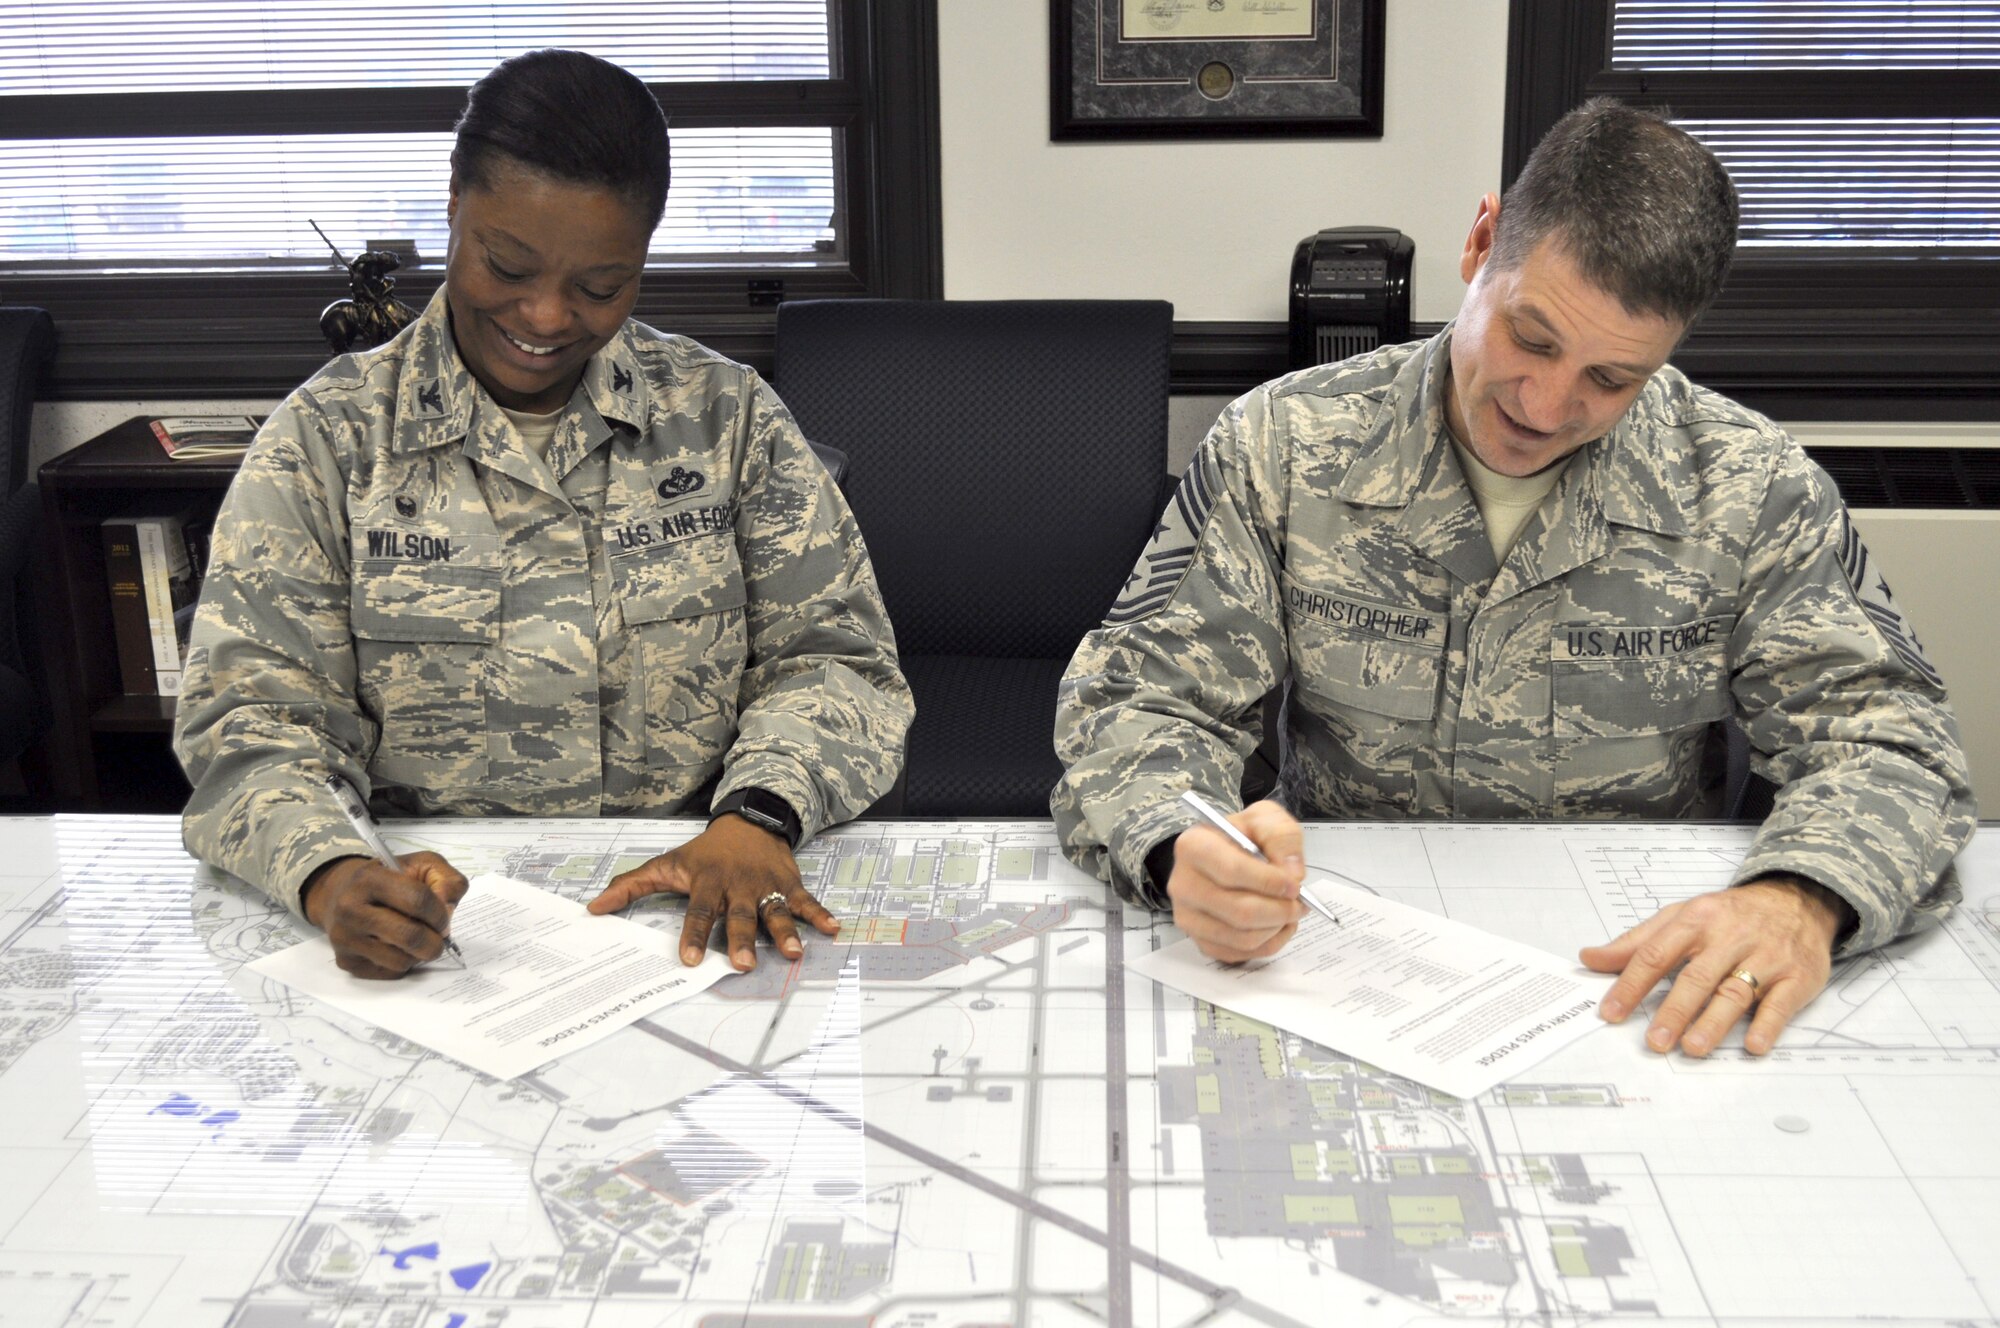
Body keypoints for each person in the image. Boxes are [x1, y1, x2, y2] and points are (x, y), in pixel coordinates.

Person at [1052, 99, 1975, 1059]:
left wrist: (1802, 897)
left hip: (1634, 979)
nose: (1546, 404)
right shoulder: (1282, 446)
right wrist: (1176, 846)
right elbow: (1142, 702)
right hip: (1334, 955)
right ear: (1481, 242)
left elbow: (1891, 744)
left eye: (1612, 380)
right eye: (1531, 338)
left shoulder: (1751, 488)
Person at [174, 49, 911, 980]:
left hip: (693, 897)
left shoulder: (728, 420)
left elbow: (838, 663)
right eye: (507, 264)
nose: (547, 315)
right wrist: (331, 870)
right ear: (453, 205)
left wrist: (758, 812)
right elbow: (254, 716)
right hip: (435, 925)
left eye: (601, 286)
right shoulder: (330, 441)